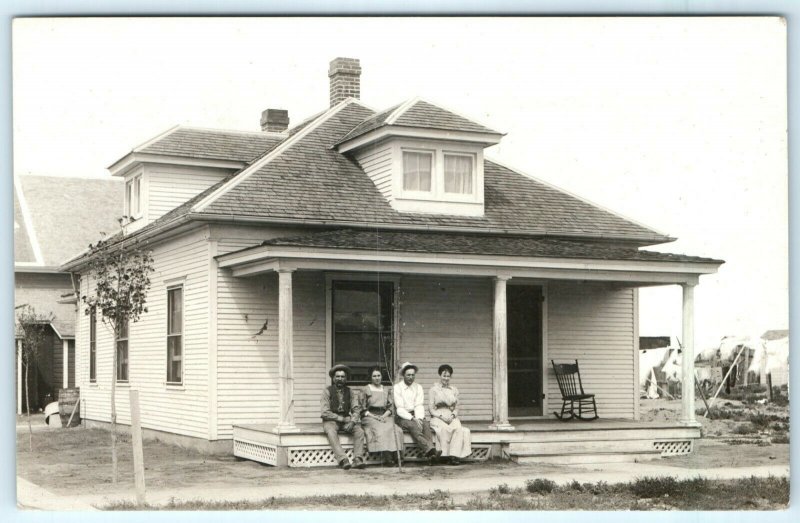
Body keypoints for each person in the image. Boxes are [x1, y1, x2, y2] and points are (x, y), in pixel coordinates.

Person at [320, 364, 367, 470]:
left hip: (347, 420)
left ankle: (358, 458)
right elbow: (324, 412)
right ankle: (343, 459)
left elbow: (356, 409)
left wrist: (352, 422)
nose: (340, 379)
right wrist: (340, 419)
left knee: (359, 431)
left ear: (346, 378)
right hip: (331, 420)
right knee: (331, 432)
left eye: (342, 377)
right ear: (333, 378)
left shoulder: (350, 392)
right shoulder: (327, 391)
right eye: (337, 376)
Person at [393, 361, 441, 461]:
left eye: (413, 375)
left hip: (416, 415)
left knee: (425, 425)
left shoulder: (418, 387)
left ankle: (431, 455)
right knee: (413, 426)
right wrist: (413, 419)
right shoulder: (397, 388)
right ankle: (431, 449)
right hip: (402, 416)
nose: (411, 377)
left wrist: (419, 418)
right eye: (408, 375)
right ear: (403, 375)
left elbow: (419, 405)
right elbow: (400, 408)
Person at [360, 367, 405, 466]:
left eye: (378, 376)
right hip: (370, 416)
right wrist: (374, 417)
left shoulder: (385, 389)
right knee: (381, 429)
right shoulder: (366, 389)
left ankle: (398, 456)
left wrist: (384, 416)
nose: (377, 378)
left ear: (381, 376)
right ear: (371, 377)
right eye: (374, 376)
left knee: (396, 429)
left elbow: (391, 406)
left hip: (384, 415)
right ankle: (387, 457)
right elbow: (362, 408)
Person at [429, 364, 472, 465]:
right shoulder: (434, 390)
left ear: (451, 377)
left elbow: (457, 407)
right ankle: (444, 456)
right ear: (440, 376)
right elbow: (431, 409)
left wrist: (453, 415)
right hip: (438, 415)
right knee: (444, 429)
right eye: (444, 376)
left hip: (451, 414)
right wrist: (441, 416)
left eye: (448, 376)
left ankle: (454, 456)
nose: (446, 378)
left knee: (458, 428)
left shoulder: (454, 390)